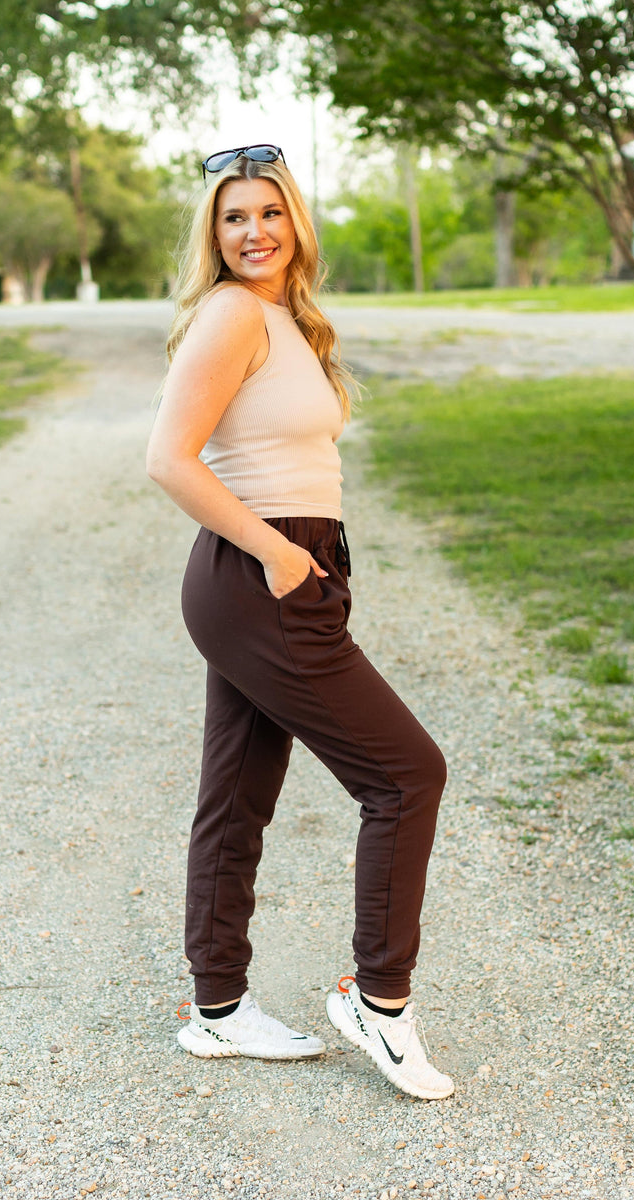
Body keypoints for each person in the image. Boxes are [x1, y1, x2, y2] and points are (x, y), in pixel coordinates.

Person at [146, 144, 453, 1101]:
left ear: (295, 222)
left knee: (237, 793)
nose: (255, 232)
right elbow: (168, 458)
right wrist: (280, 557)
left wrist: (299, 559)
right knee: (406, 775)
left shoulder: (286, 317)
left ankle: (218, 1008)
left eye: (270, 213)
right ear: (214, 232)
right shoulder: (233, 314)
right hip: (259, 573)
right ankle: (380, 1000)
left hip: (277, 571)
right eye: (234, 217)